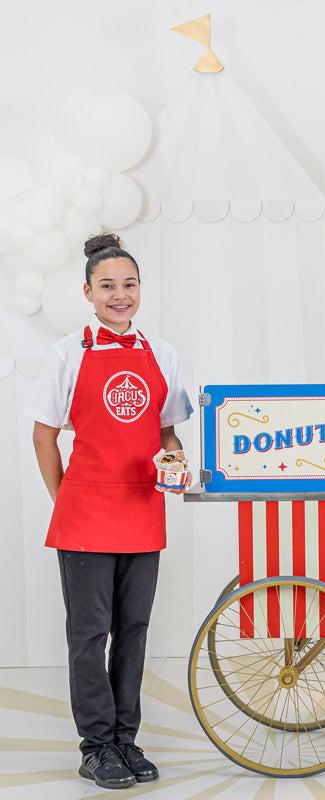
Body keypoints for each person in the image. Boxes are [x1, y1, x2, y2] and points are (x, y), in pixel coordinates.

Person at [26, 233, 193, 790]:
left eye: (129, 284)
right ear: (88, 292)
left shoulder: (160, 353)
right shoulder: (67, 354)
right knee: (89, 633)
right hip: (86, 510)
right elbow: (44, 437)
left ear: (140, 289)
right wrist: (65, 500)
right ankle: (96, 746)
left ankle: (126, 738)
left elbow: (166, 429)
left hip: (143, 507)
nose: (120, 295)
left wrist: (176, 459)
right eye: (107, 286)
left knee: (134, 629)